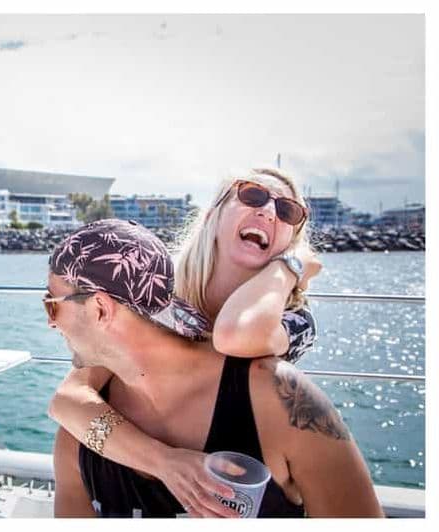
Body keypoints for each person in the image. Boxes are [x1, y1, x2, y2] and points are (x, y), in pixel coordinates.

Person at [45, 169, 383, 517]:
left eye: (287, 211)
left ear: (290, 240)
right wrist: (166, 462)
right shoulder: (158, 297)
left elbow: (234, 336)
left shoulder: (294, 318)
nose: (269, 211)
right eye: (252, 195)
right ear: (212, 215)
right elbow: (68, 399)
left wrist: (289, 267)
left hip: (243, 437)